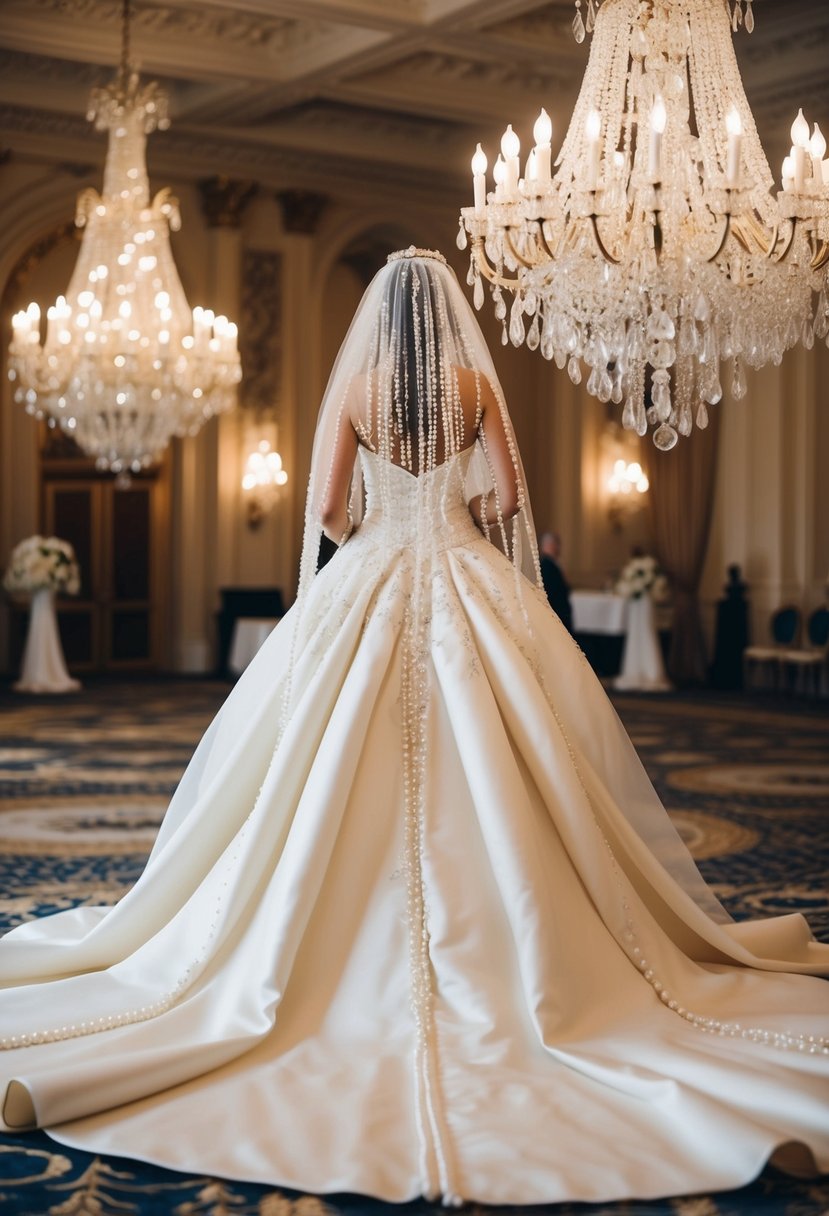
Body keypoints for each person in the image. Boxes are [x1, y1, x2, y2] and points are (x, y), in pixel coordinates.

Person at [1, 248, 827, 1209]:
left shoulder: (355, 390)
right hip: (467, 573)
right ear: (443, 318)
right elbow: (511, 502)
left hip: (371, 576)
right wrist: (460, 511)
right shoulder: (475, 384)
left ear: (378, 321)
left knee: (313, 765)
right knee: (511, 755)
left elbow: (323, 511)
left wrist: (383, 528)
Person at [539, 529, 573, 633]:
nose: (559, 547)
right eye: (557, 544)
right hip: (556, 614)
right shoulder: (546, 565)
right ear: (550, 545)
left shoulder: (551, 563)